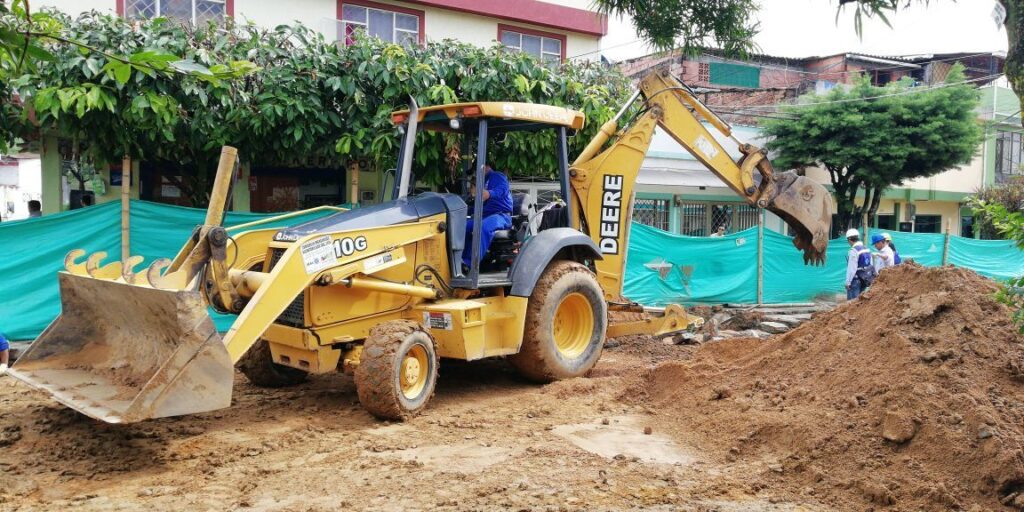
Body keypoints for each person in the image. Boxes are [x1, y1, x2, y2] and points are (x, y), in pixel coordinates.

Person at [463, 164, 512, 268]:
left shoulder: (497, 176)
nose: (475, 174)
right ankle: (459, 261)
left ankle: (469, 265)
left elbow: (503, 189)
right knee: (463, 227)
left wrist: (489, 193)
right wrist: (463, 209)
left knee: (482, 227)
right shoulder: (482, 182)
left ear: (485, 167)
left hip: (501, 215)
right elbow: (478, 207)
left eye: (476, 171)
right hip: (484, 216)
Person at [845, 228, 873, 300]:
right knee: (860, 302)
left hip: (855, 280)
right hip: (865, 279)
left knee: (852, 303)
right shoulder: (866, 249)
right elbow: (871, 264)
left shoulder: (854, 250)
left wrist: (848, 282)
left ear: (849, 239)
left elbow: (852, 268)